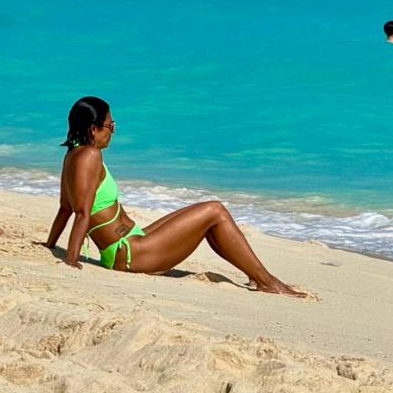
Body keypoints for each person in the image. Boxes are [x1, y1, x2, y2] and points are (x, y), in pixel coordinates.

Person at [41, 96, 307, 298]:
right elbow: (82, 212)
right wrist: (71, 259)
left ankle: (258, 277)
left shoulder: (72, 156)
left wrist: (50, 245)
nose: (113, 131)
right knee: (215, 210)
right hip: (131, 254)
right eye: (111, 126)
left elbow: (64, 208)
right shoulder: (91, 156)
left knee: (208, 216)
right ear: (93, 130)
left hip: (132, 244)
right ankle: (267, 281)